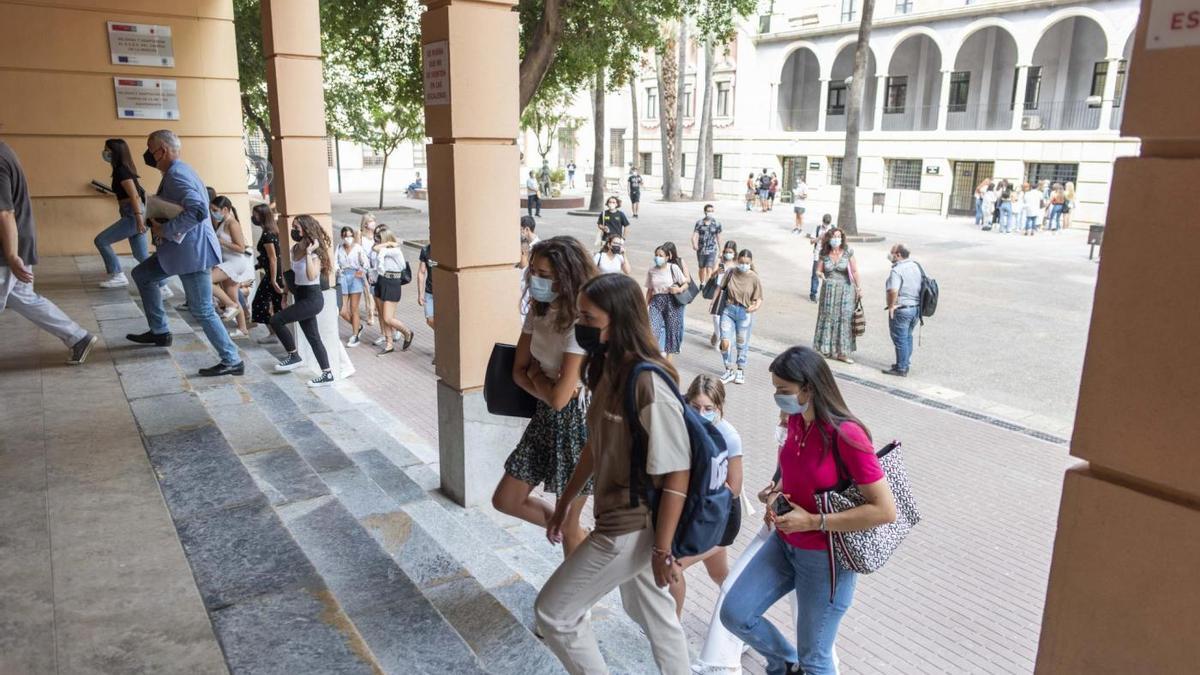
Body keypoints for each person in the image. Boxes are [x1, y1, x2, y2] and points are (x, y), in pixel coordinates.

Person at [535, 272, 691, 675]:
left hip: (632, 525)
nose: (580, 327)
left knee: (554, 613)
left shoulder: (649, 383)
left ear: (619, 321)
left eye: (589, 319)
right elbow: (595, 445)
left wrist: (662, 549)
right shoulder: (608, 370)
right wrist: (565, 504)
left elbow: (677, 473)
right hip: (618, 518)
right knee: (652, 612)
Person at [721, 346, 896, 675]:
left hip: (826, 559)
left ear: (809, 388)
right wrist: (776, 492)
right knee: (735, 613)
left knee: (815, 658)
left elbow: (884, 510)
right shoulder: (795, 420)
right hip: (786, 543)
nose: (778, 397)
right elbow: (793, 469)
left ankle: (797, 665)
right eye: (775, 389)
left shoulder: (848, 435)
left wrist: (815, 520)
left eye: (783, 391)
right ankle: (785, 664)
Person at [494, 236, 597, 556]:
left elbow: (560, 399)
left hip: (577, 425)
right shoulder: (539, 312)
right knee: (506, 500)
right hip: (544, 418)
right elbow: (518, 371)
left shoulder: (581, 325)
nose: (535, 280)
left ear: (567, 278)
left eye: (545, 274)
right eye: (533, 272)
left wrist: (538, 379)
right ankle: (581, 536)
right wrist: (544, 382)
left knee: (568, 524)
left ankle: (576, 601)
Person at [127, 130, 243, 377]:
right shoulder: (179, 171)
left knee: (202, 310)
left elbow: (199, 211)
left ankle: (232, 359)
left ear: (163, 151)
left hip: (191, 254)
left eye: (151, 149)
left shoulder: (177, 175)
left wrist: (166, 229)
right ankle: (159, 332)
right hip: (180, 251)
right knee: (143, 275)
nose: (148, 154)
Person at [0, 139, 97, 365]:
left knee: (23, 297)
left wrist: (13, 256)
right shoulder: (4, 149)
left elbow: (4, 214)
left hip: (8, 249)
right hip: (17, 241)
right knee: (24, 298)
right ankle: (78, 337)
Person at [669, 375, 743, 616]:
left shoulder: (728, 435)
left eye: (708, 408)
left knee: (674, 568)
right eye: (695, 407)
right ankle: (744, 619)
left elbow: (735, 487)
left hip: (720, 518)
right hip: (697, 515)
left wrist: (701, 488)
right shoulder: (682, 425)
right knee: (720, 574)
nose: (701, 413)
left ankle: (672, 632)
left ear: (719, 408)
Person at [270, 215, 334, 387]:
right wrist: (284, 295)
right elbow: (293, 275)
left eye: (296, 227)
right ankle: (327, 374)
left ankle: (294, 356)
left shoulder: (316, 252)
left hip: (312, 298)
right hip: (299, 294)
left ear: (306, 229)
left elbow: (311, 275)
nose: (294, 230)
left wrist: (309, 253)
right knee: (313, 337)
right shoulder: (294, 248)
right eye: (293, 226)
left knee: (276, 320)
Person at [93, 138, 159, 291]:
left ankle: (118, 275)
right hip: (134, 213)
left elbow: (134, 196)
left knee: (101, 240)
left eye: (107, 149)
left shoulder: (121, 171)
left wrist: (139, 220)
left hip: (134, 214)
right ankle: (162, 286)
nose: (105, 153)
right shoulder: (123, 169)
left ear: (115, 152)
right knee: (141, 255)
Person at [717, 249, 764, 386]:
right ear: (737, 261)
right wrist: (714, 304)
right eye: (741, 262)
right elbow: (720, 289)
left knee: (741, 343)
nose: (743, 265)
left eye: (746, 263)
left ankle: (740, 370)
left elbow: (759, 298)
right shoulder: (731, 272)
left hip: (744, 313)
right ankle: (728, 369)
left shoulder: (754, 277)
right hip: (728, 310)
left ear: (751, 263)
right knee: (725, 342)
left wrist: (755, 307)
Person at [813, 228, 861, 364]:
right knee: (827, 317)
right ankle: (825, 348)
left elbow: (855, 271)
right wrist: (820, 274)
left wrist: (859, 288)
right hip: (828, 290)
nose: (836, 239)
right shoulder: (824, 253)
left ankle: (842, 353)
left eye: (839, 236)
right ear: (829, 238)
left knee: (844, 319)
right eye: (834, 236)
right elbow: (818, 270)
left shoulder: (847, 252)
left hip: (845, 291)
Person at [209, 195, 254, 338]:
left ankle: (230, 305)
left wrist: (222, 242)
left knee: (206, 281)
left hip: (235, 263)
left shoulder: (232, 224)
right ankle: (243, 329)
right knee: (233, 295)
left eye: (215, 210)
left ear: (225, 209)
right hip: (227, 262)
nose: (212, 212)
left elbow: (241, 247)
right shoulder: (222, 222)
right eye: (211, 209)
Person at [371, 230, 414, 355]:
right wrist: (387, 243)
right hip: (382, 281)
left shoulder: (395, 251)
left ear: (385, 239)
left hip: (392, 283)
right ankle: (389, 344)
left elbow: (376, 249)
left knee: (388, 318)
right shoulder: (384, 249)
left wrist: (388, 243)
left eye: (379, 238)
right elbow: (375, 248)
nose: (377, 241)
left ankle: (407, 332)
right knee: (384, 317)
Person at [882, 244, 922, 378]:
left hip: (902, 309)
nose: (890, 255)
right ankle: (904, 362)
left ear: (898, 254)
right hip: (915, 308)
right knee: (908, 336)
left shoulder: (897, 270)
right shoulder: (915, 266)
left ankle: (901, 368)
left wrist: (891, 306)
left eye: (892, 253)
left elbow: (893, 290)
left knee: (900, 339)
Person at [645, 242, 689, 361]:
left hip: (672, 302)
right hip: (656, 302)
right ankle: (653, 356)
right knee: (653, 330)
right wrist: (645, 306)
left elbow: (685, 283)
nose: (658, 258)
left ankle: (668, 364)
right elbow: (649, 290)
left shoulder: (673, 268)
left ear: (667, 257)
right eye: (656, 255)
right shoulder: (651, 270)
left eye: (661, 255)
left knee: (671, 334)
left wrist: (678, 289)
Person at [249, 203, 284, 344]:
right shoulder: (269, 231)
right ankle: (275, 334)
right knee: (275, 305)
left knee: (259, 304)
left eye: (256, 214)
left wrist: (274, 279)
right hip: (273, 273)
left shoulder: (268, 234)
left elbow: (273, 258)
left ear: (262, 216)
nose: (253, 217)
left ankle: (274, 334)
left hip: (273, 275)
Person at [336, 225, 369, 346]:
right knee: (342, 310)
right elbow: (335, 262)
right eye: (345, 236)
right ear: (342, 236)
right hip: (343, 276)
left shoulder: (358, 248)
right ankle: (358, 326)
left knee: (354, 308)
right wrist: (338, 270)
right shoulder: (339, 247)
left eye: (350, 236)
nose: (348, 238)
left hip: (355, 276)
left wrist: (361, 269)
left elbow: (366, 263)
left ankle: (355, 335)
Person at [708, 240, 738, 348]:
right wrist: (717, 272)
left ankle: (724, 340)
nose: (728, 254)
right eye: (726, 251)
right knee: (716, 317)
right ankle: (718, 334)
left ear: (734, 253)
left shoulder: (736, 265)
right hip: (719, 292)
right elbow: (711, 276)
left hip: (730, 294)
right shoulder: (720, 262)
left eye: (730, 252)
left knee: (727, 318)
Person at [691, 204, 722, 285]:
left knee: (709, 267)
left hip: (712, 249)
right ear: (705, 212)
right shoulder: (699, 223)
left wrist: (721, 250)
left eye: (712, 211)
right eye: (708, 211)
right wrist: (694, 244)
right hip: (701, 250)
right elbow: (694, 235)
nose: (710, 213)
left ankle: (708, 284)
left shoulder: (717, 224)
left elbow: (719, 238)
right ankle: (702, 282)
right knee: (702, 268)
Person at [807, 214, 833, 302]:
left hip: (829, 255)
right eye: (825, 223)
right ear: (822, 221)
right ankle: (813, 293)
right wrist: (819, 237)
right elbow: (811, 241)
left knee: (829, 275)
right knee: (815, 274)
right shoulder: (818, 228)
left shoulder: (833, 229)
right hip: (818, 254)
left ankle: (827, 295)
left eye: (828, 224)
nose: (826, 225)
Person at [359, 213, 378, 326]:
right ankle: (370, 314)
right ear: (365, 224)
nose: (374, 223)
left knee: (376, 291)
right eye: (371, 221)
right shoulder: (361, 236)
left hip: (376, 268)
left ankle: (375, 309)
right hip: (365, 268)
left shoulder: (377, 236)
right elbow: (358, 251)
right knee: (367, 291)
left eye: (374, 221)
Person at [417, 241, 435, 342]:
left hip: (443, 292)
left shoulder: (445, 249)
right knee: (430, 320)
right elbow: (421, 272)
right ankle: (443, 337)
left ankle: (442, 345)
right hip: (430, 291)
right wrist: (420, 294)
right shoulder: (425, 250)